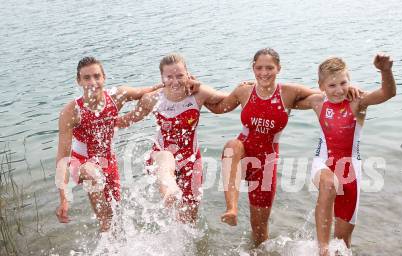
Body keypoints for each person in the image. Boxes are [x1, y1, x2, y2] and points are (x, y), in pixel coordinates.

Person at [205, 48, 333, 246]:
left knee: (259, 231)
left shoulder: (289, 92)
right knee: (232, 145)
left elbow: (325, 94)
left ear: (278, 68)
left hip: (266, 162)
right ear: (253, 68)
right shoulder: (244, 91)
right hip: (243, 152)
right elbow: (218, 108)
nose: (264, 72)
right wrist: (196, 91)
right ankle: (231, 209)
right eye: (259, 68)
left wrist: (350, 91)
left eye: (269, 68)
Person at [298, 54, 396, 256]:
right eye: (331, 85)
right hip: (323, 161)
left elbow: (388, 93)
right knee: (328, 183)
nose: (338, 90)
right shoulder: (317, 101)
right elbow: (290, 96)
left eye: (343, 83)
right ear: (321, 86)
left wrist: (385, 71)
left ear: (349, 80)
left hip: (351, 169)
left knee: (343, 242)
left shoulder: (358, 101)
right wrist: (257, 85)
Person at [55, 56, 164, 232]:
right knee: (93, 178)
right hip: (82, 164)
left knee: (114, 215)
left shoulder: (117, 96)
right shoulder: (71, 112)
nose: (93, 82)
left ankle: (113, 254)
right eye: (87, 78)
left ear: (104, 77)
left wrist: (181, 83)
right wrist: (64, 198)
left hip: (108, 162)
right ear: (79, 81)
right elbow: (62, 158)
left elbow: (150, 91)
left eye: (97, 76)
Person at [118, 53, 228, 223]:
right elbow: (128, 119)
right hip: (160, 157)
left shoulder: (199, 94)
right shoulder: (152, 99)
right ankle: (170, 188)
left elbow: (229, 100)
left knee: (189, 218)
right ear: (162, 78)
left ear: (188, 75)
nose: (175, 81)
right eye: (169, 77)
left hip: (190, 160)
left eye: (180, 76)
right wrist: (102, 121)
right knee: (166, 157)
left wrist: (247, 89)